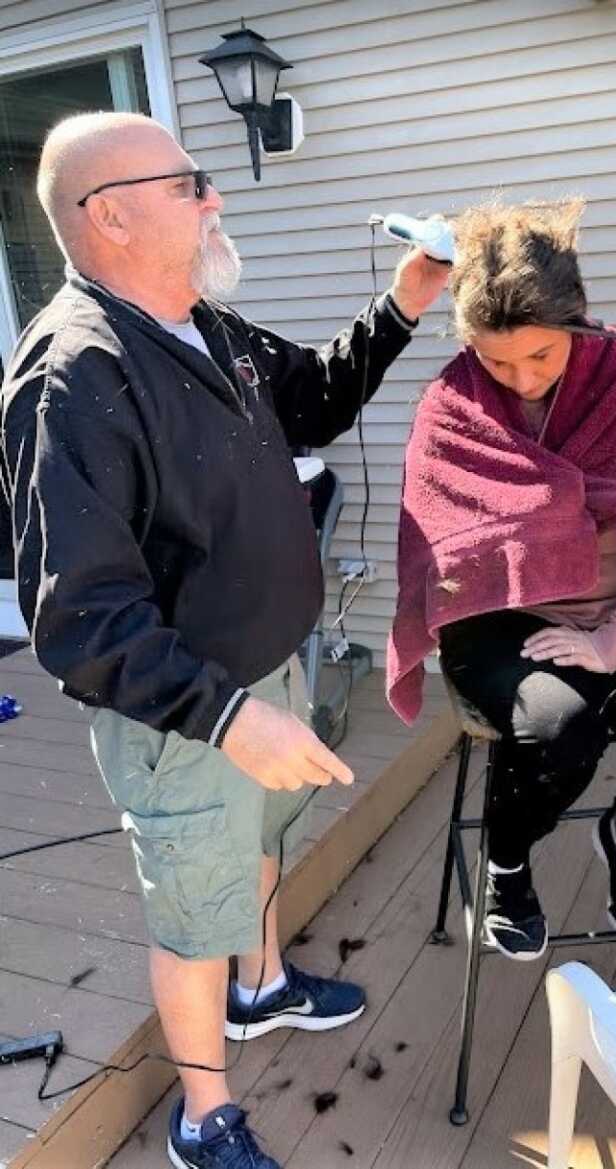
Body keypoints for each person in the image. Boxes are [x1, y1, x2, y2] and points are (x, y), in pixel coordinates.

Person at [0, 112, 448, 1169]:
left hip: (265, 669)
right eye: (191, 184)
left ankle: (263, 983)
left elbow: (319, 399)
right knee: (192, 911)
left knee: (256, 847)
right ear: (110, 215)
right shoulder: (74, 377)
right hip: (188, 711)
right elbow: (76, 613)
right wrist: (227, 714)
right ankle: (204, 1115)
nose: (217, 199)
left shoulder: (205, 323)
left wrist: (402, 305)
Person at [387, 199, 616, 961]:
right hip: (504, 615)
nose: (522, 378)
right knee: (560, 728)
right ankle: (507, 860)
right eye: (497, 360)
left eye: (541, 355)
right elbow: (441, 547)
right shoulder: (452, 403)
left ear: (579, 322)